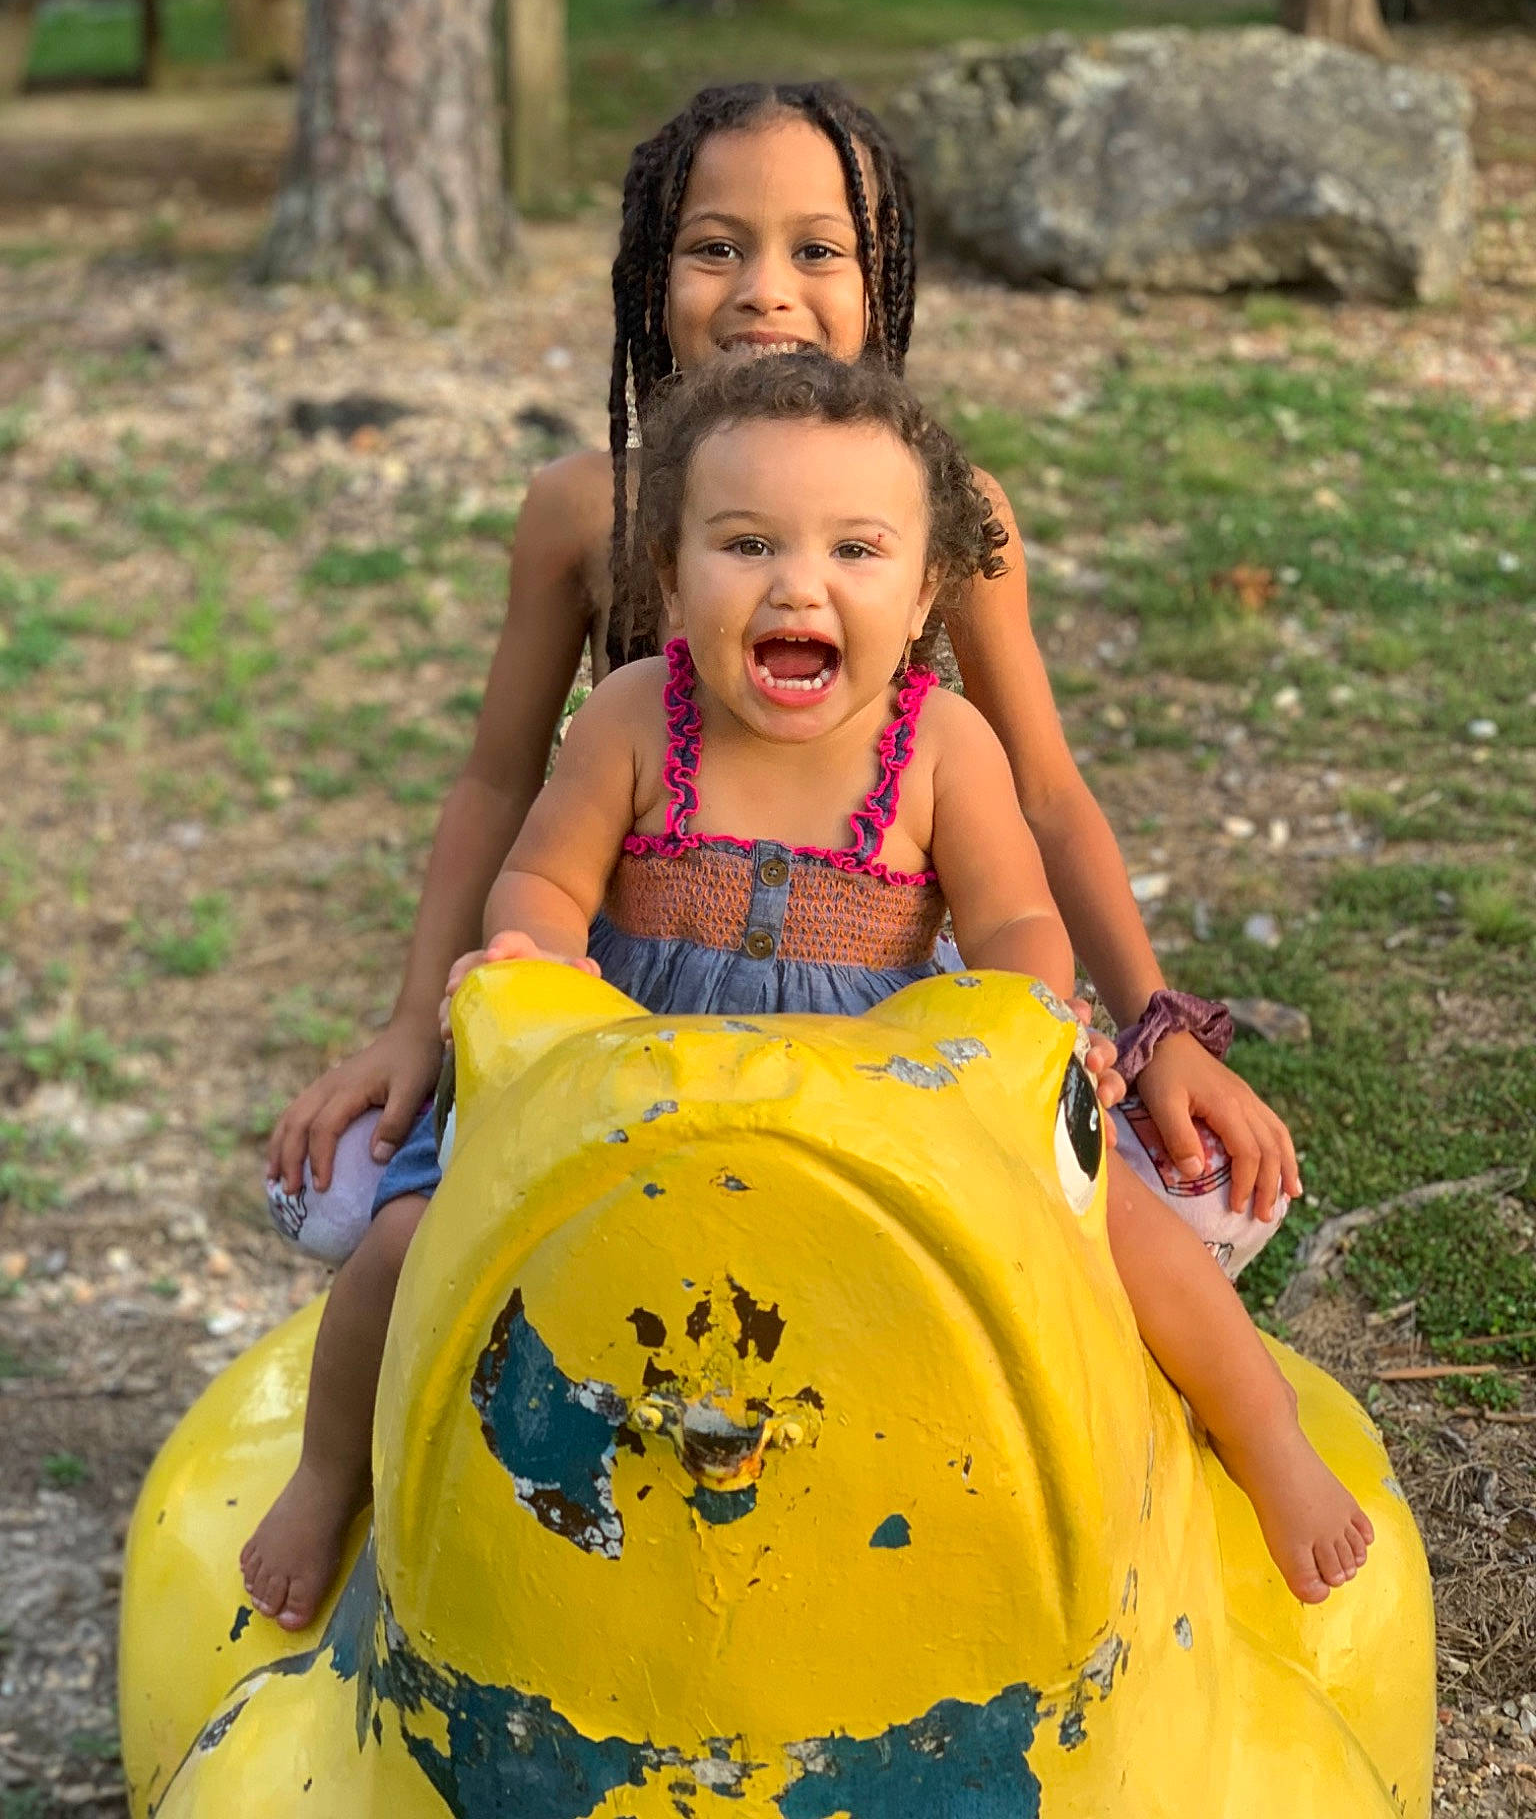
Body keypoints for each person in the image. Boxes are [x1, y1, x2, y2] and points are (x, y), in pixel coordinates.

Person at [240, 354, 1368, 1632]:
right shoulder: (626, 719)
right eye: (746, 542)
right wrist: (533, 957)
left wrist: (1029, 1011)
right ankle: (331, 1476)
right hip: (624, 1077)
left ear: (928, 584)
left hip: (885, 1090)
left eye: (856, 548)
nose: (798, 580)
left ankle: (1266, 1445)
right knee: (400, 1241)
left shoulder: (942, 744)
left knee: (1130, 1235)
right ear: (671, 574)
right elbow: (540, 878)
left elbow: (1012, 918)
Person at [265, 79, 1298, 1256]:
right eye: (716, 247)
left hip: (878, 1002)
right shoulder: (578, 511)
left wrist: (1156, 1029)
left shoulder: (953, 515)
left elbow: (1045, 795)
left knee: (1166, 1212)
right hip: (618, 1008)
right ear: (654, 272)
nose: (764, 287)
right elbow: (499, 786)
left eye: (818, 248)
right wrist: (415, 1024)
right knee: (373, 1213)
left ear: (882, 280)